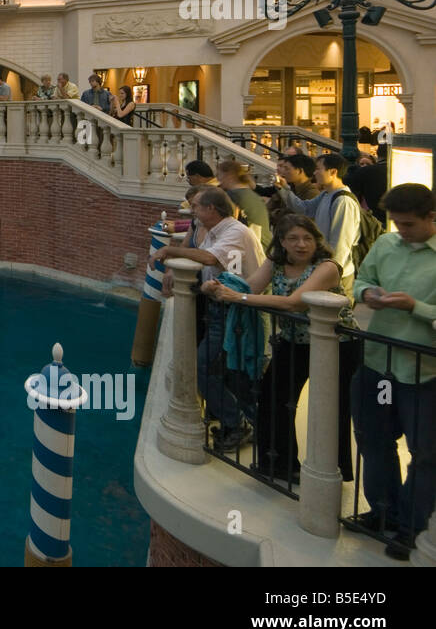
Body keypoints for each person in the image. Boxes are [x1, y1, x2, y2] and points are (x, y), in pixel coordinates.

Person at [202, 214, 356, 482]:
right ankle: (279, 465)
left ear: (316, 241)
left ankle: (333, 472)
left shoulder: (327, 267)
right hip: (293, 340)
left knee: (332, 408)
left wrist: (238, 297)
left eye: (308, 238)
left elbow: (295, 303)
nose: (301, 244)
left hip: (336, 346)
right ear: (282, 242)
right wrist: (216, 287)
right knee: (274, 399)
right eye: (293, 238)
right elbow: (251, 286)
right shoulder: (276, 262)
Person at [351, 183, 436, 559]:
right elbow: (361, 280)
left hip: (424, 373)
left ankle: (411, 528)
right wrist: (367, 294)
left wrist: (415, 306)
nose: (401, 230)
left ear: (432, 217)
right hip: (378, 364)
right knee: (373, 440)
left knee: (425, 454)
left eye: (409, 225)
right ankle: (382, 512)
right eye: (397, 224)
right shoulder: (385, 244)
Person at [150, 187, 266, 450]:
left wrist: (170, 252)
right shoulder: (218, 231)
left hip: (232, 311)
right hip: (219, 308)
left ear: (211, 209)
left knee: (206, 367)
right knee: (221, 369)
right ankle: (233, 418)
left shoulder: (234, 232)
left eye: (197, 206)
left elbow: (211, 258)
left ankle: (236, 423)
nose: (192, 210)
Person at [279, 152, 363, 291]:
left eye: (318, 169)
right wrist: (284, 189)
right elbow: (304, 209)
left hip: (336, 275)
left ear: (333, 172)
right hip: (323, 268)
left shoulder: (343, 201)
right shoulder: (326, 194)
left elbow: (340, 245)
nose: (315, 172)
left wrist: (330, 274)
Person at [216, 160, 272, 251]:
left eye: (219, 175)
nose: (218, 179)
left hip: (254, 247)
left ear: (229, 176)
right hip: (266, 245)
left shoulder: (232, 196)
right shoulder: (251, 194)